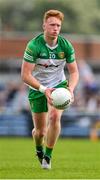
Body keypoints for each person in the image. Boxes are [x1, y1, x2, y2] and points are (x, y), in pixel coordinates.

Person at [21, 9, 79, 169]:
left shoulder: (65, 45)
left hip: (59, 86)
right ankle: (39, 149)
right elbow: (25, 75)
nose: (55, 28)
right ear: (44, 25)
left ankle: (48, 156)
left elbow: (74, 71)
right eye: (52, 24)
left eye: (58, 25)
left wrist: (71, 89)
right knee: (40, 132)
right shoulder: (34, 45)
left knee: (54, 117)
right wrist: (43, 89)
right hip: (37, 87)